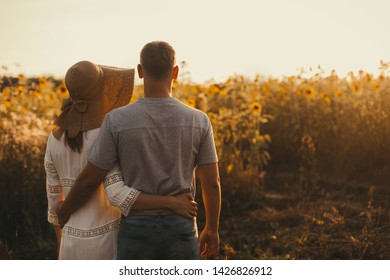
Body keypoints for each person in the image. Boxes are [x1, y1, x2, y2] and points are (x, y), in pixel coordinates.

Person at [58, 41, 221, 259]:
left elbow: (90, 178)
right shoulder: (198, 120)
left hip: (136, 231)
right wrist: (211, 228)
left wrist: (66, 210)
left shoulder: (116, 120)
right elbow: (211, 182)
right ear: (175, 72)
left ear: (140, 71)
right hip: (181, 227)